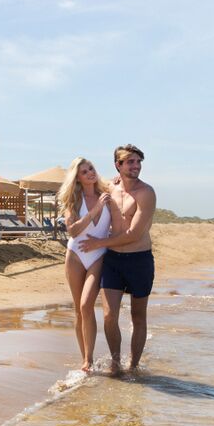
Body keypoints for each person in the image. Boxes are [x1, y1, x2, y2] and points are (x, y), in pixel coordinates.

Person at [78, 144, 156, 375]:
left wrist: (98, 244)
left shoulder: (147, 193)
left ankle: (133, 366)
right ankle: (115, 363)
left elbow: (134, 234)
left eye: (138, 162)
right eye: (130, 162)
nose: (136, 166)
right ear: (118, 165)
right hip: (113, 260)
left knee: (138, 315)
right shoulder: (110, 187)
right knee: (110, 315)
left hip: (139, 260)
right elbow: (83, 186)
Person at [59, 157, 112, 373]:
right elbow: (72, 231)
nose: (90, 173)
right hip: (75, 256)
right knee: (78, 311)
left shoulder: (108, 195)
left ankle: (89, 359)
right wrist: (95, 210)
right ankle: (86, 360)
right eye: (84, 171)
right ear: (78, 178)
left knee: (86, 305)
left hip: (98, 255)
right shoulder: (75, 200)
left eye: (91, 168)